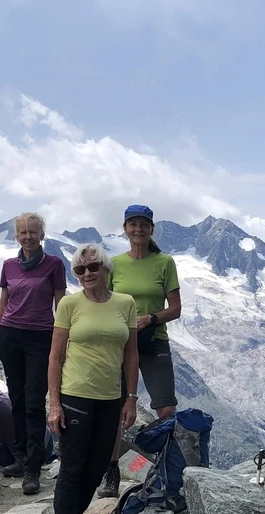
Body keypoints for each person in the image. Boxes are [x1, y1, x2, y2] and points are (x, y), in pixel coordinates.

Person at [47, 243, 139, 514]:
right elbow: (56, 356)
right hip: (75, 396)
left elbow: (131, 354)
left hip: (110, 397)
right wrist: (54, 402)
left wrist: (131, 397)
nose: (87, 274)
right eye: (80, 270)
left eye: (93, 267)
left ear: (106, 269)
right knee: (73, 469)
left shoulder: (125, 304)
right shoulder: (70, 305)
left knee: (97, 465)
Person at [96, 204, 181, 498]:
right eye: (133, 224)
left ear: (151, 229)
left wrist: (151, 318)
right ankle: (111, 472)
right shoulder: (114, 264)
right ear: (125, 228)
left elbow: (176, 309)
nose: (138, 229)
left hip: (153, 339)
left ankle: (167, 469)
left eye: (144, 224)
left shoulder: (164, 262)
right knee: (115, 409)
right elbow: (102, 301)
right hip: (120, 343)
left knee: (166, 408)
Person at [0, 212, 66, 495]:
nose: (28, 237)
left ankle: (34, 467)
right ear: (16, 236)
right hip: (10, 335)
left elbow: (61, 305)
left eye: (33, 231)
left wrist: (62, 341)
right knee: (17, 398)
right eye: (23, 232)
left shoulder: (54, 264)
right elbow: (2, 305)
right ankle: (20, 457)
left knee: (34, 400)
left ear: (42, 234)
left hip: (40, 337)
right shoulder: (8, 266)